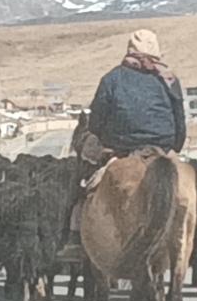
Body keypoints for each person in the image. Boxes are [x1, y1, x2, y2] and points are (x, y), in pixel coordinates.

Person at [56, 29, 187, 264]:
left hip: (122, 149)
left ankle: (74, 238)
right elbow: (180, 119)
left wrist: (104, 140)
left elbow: (96, 122)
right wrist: (174, 146)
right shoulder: (170, 80)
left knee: (83, 183)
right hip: (163, 148)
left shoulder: (112, 79)